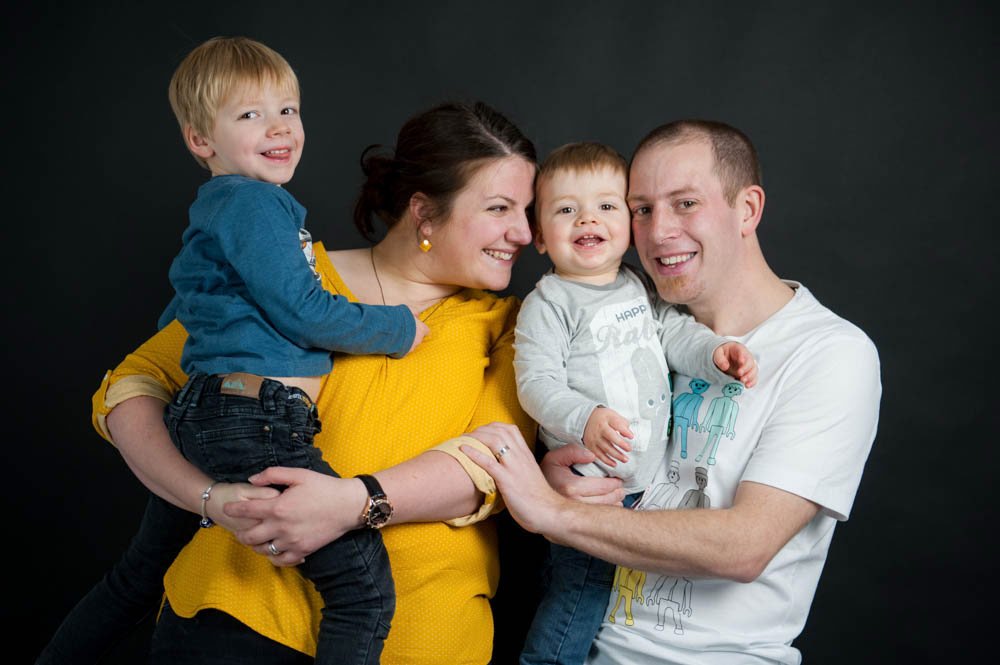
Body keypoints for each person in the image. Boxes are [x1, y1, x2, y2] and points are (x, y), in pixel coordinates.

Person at [62, 100, 538, 665]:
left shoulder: (512, 324)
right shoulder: (294, 273)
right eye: (500, 208)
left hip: (423, 637)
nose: (525, 233)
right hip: (237, 614)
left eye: (527, 209)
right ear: (424, 213)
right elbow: (132, 383)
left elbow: (491, 464)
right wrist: (208, 499)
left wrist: (351, 503)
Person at [38, 37, 432, 665]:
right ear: (201, 140)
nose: (278, 128)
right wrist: (397, 329)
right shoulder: (254, 203)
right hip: (256, 420)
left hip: (209, 413)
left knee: (137, 578)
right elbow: (302, 310)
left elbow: (188, 306)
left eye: (289, 110)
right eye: (249, 115)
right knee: (360, 591)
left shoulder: (220, 206)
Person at [465, 120, 881, 664]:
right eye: (640, 208)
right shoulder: (634, 313)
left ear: (748, 210)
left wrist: (553, 512)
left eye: (685, 203)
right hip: (572, 634)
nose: (658, 231)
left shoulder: (830, 353)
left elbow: (743, 546)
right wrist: (559, 475)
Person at [513, 142, 756, 665]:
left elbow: (674, 333)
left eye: (606, 206)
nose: (587, 219)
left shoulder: (635, 286)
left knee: (597, 595)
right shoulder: (550, 302)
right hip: (592, 486)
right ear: (539, 234)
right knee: (578, 595)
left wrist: (715, 353)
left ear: (626, 223)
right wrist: (585, 417)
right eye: (565, 210)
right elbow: (535, 383)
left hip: (643, 484)